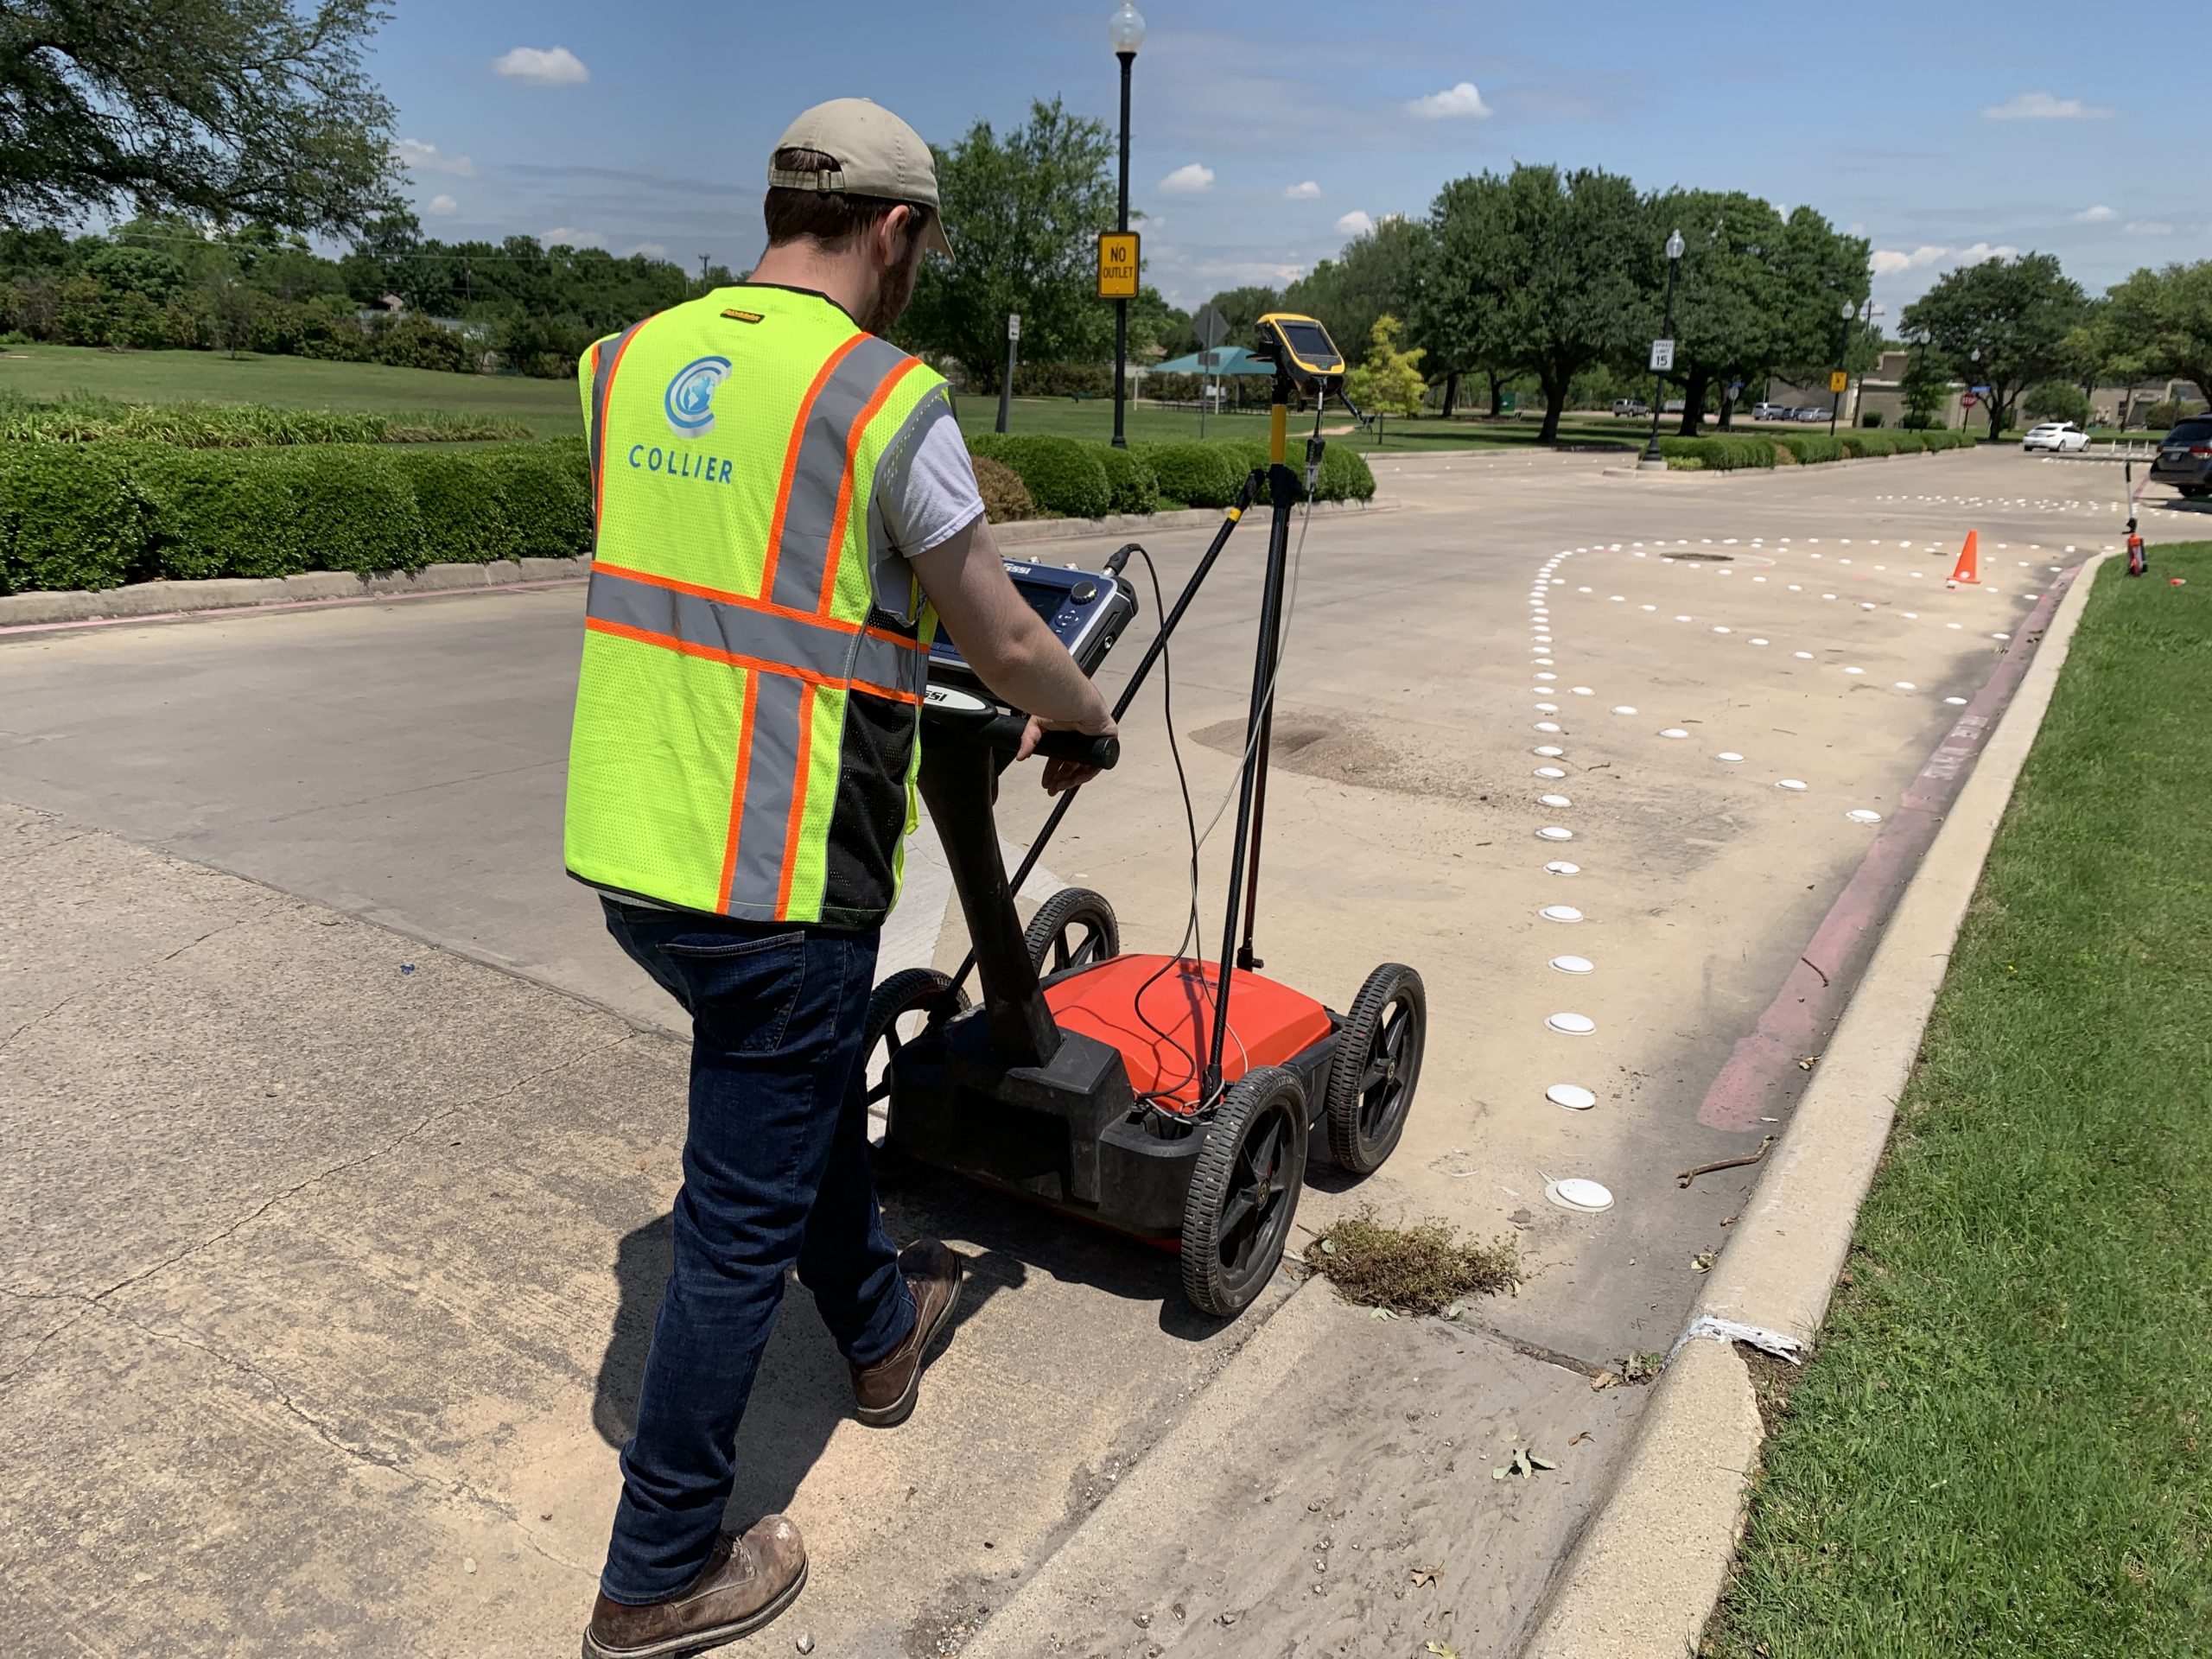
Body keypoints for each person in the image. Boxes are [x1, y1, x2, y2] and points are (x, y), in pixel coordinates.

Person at [565, 97, 1117, 1659]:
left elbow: (732, 589)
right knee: (736, 1215)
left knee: (792, 1097)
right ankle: (661, 1563)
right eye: (920, 247)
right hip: (777, 874)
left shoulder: (623, 365)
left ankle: (881, 1337)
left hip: (634, 853)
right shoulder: (883, 400)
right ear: (898, 232)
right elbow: (1002, 634)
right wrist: (1084, 711)